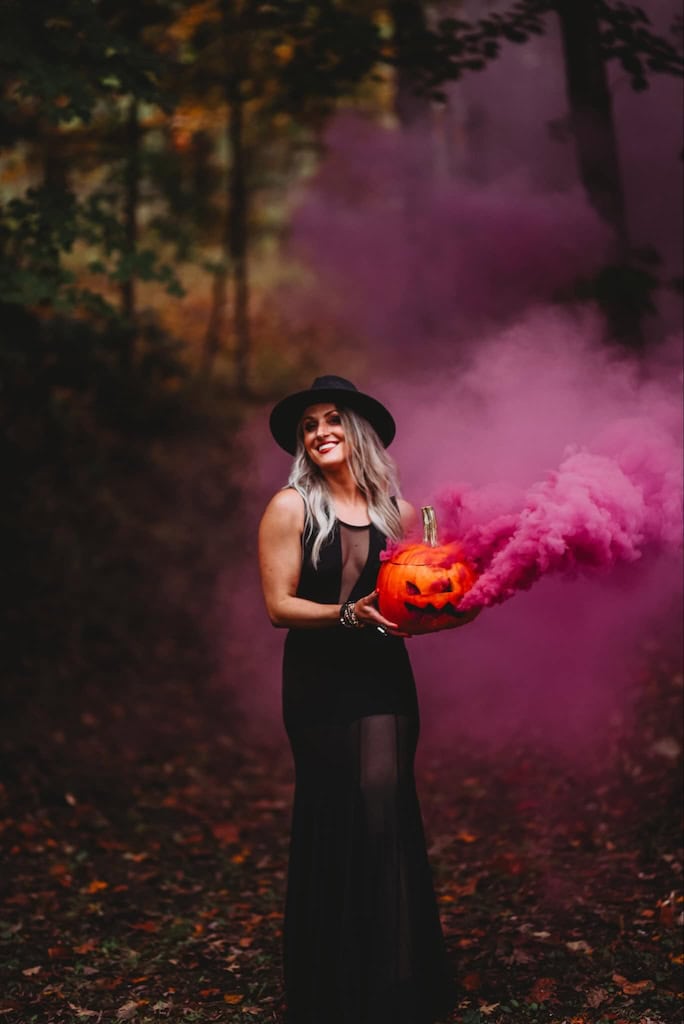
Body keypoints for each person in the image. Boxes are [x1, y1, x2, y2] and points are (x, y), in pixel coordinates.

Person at [258, 375, 470, 1024]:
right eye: (308, 425)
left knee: (383, 804)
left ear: (358, 432)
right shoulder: (290, 506)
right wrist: (350, 614)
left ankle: (394, 985)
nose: (320, 431)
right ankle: (333, 988)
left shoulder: (401, 516)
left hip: (384, 680)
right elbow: (278, 606)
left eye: (332, 419)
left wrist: (457, 603)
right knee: (335, 810)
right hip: (319, 684)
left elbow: (423, 605)